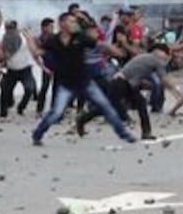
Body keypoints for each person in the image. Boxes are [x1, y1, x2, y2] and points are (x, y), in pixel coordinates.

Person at [34, 13, 135, 145]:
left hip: (85, 82)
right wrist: (30, 41)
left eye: (75, 22)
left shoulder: (80, 37)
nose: (74, 24)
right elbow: (38, 52)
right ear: (62, 24)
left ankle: (124, 134)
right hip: (66, 84)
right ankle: (37, 134)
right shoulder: (53, 40)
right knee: (56, 113)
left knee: (106, 106)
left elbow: (100, 44)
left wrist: (115, 51)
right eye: (71, 22)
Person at [104, 44, 179, 140]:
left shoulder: (144, 57)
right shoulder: (155, 60)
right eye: (165, 53)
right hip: (121, 83)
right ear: (158, 52)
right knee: (107, 107)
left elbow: (137, 74)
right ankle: (83, 119)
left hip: (126, 83)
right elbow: (164, 79)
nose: (166, 57)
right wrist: (177, 92)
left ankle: (146, 132)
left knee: (141, 104)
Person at [0, 20, 39, 118]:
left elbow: (35, 49)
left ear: (16, 28)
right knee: (5, 90)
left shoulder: (24, 38)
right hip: (11, 69)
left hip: (25, 69)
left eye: (12, 28)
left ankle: (21, 107)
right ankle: (3, 112)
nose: (10, 31)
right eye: (8, 28)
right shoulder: (5, 38)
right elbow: (4, 53)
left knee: (29, 89)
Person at [35, 17, 56, 113]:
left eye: (53, 26)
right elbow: (37, 54)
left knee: (56, 88)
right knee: (45, 87)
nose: (52, 28)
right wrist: (43, 66)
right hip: (46, 66)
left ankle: (54, 109)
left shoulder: (55, 38)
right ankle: (39, 109)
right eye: (50, 26)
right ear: (44, 27)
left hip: (57, 66)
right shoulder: (39, 39)